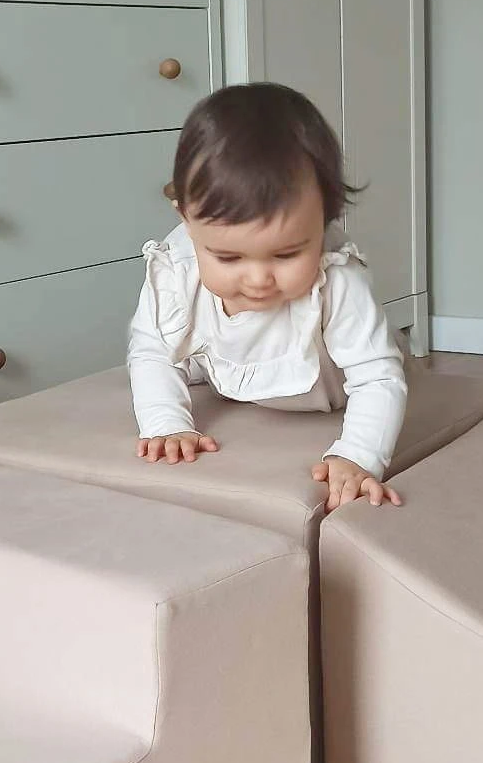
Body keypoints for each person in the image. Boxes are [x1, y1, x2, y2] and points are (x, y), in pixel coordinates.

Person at [127, 83, 408, 511]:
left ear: (326, 218)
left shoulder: (336, 277)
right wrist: (166, 423)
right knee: (179, 342)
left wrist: (358, 456)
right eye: (227, 257)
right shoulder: (176, 266)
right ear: (186, 219)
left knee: (382, 353)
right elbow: (152, 351)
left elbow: (377, 377)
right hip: (229, 373)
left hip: (325, 389)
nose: (258, 279)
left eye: (286, 254)